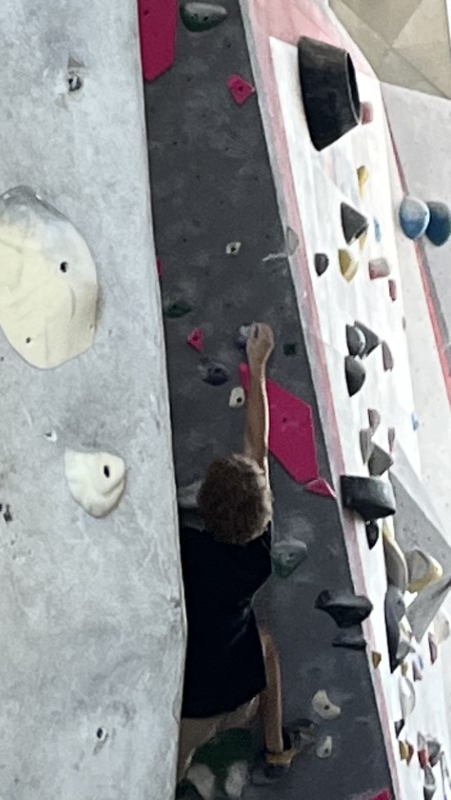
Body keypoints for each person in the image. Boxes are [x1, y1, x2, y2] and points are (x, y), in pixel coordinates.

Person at [177, 321, 308, 786]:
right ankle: (276, 751)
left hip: (187, 703)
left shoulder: (185, 553)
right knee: (267, 645)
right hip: (238, 696)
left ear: (204, 511)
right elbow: (260, 454)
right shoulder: (257, 553)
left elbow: (254, 457)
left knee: (169, 766)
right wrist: (257, 366)